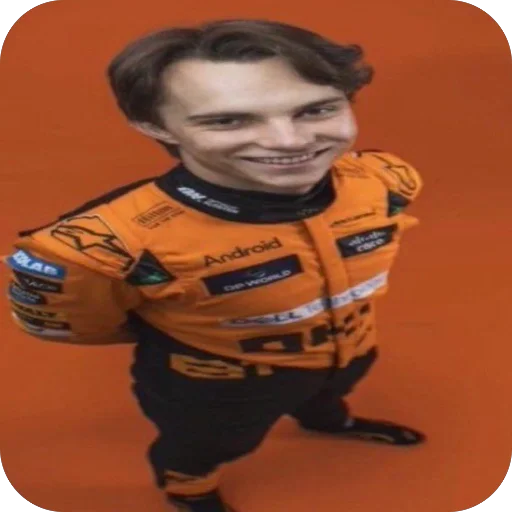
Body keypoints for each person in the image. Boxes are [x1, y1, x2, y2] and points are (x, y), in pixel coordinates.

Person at [2, 19, 426, 512]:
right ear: (155, 125)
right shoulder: (98, 246)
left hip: (352, 348)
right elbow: (72, 325)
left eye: (317, 109)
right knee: (205, 446)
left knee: (333, 391)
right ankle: (190, 488)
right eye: (228, 121)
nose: (289, 141)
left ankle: (329, 420)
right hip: (217, 385)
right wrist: (178, 330)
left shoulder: (385, 178)